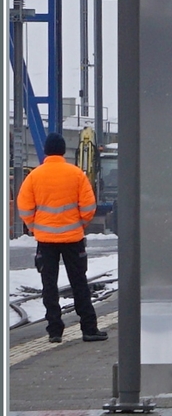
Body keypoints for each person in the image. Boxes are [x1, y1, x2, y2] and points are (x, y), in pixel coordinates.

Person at [16, 134, 106, 344]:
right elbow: (88, 206)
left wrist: (34, 227)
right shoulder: (76, 174)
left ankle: (54, 330)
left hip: (45, 240)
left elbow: (25, 206)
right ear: (64, 151)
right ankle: (89, 329)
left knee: (49, 284)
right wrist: (80, 224)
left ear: (46, 151)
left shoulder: (34, 176)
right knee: (79, 282)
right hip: (73, 238)